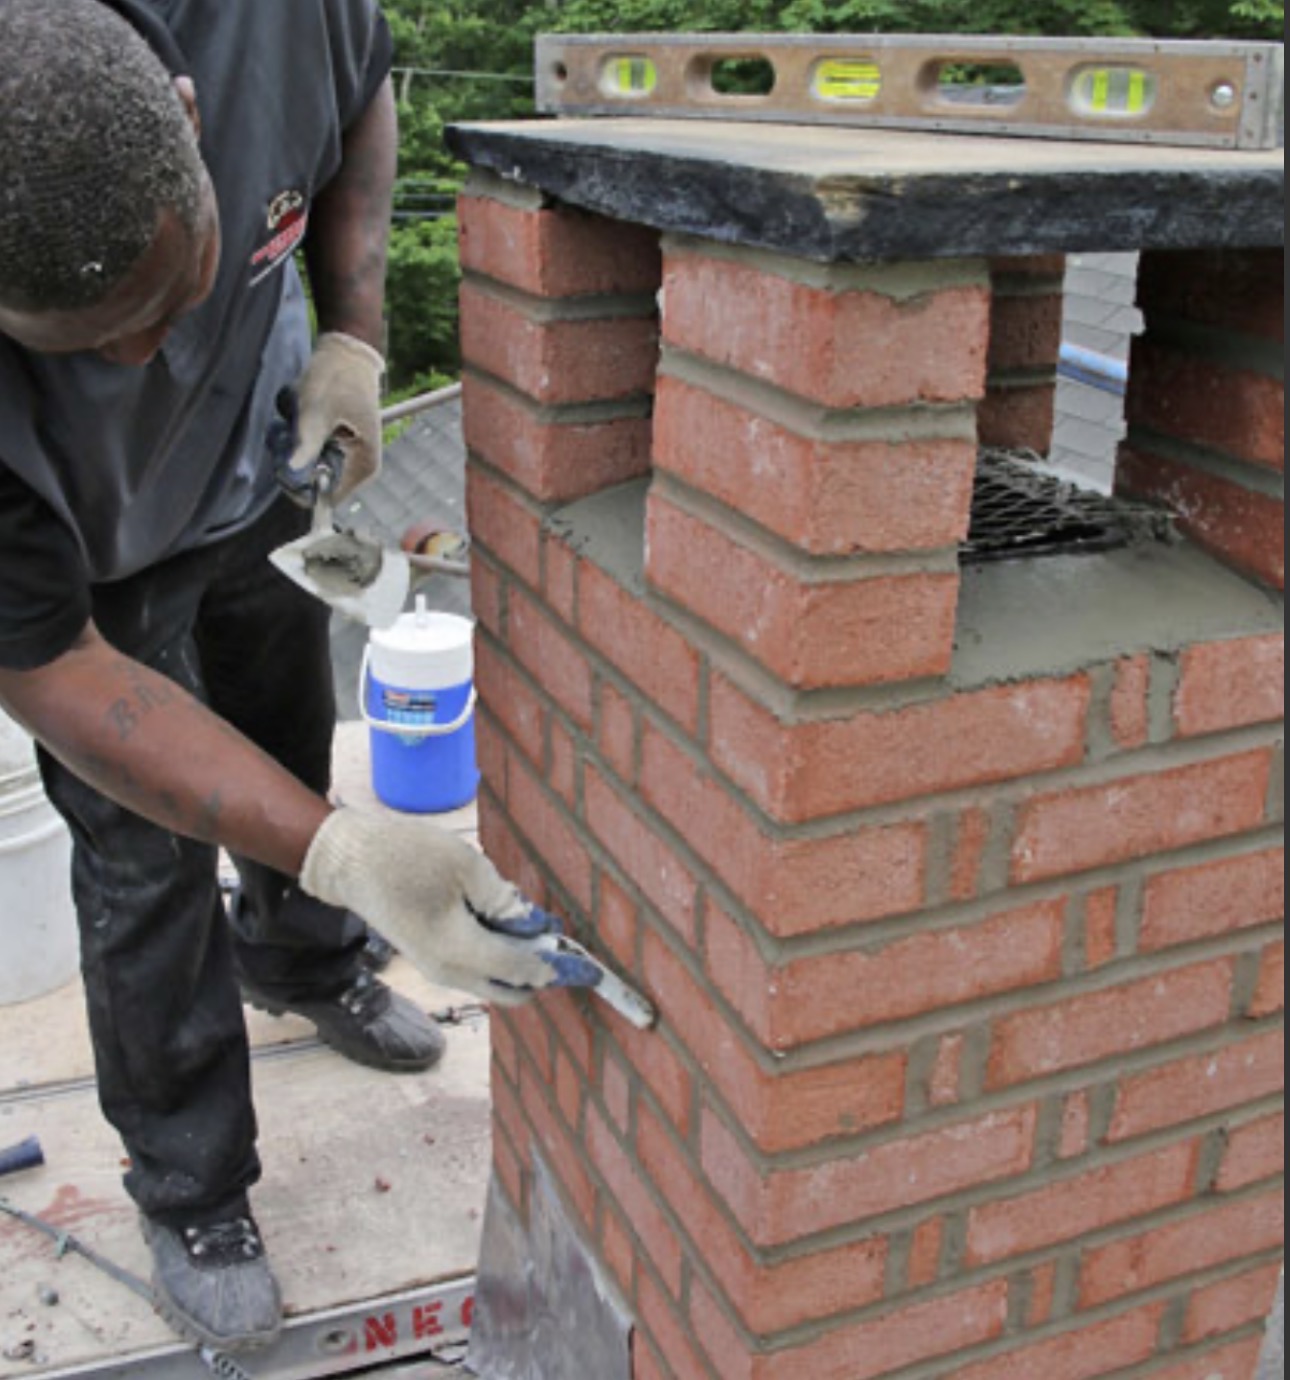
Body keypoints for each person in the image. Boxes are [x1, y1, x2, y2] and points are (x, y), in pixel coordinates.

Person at [0, 0, 598, 1356]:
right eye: (79, 342)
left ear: (192, 121)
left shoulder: (275, 18)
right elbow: (47, 668)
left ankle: (306, 961)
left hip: (257, 471)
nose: (134, 359)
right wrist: (348, 849)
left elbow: (359, 104)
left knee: (285, 722)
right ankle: (193, 1188)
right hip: (89, 560)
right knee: (148, 859)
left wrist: (355, 332)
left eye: (160, 300)